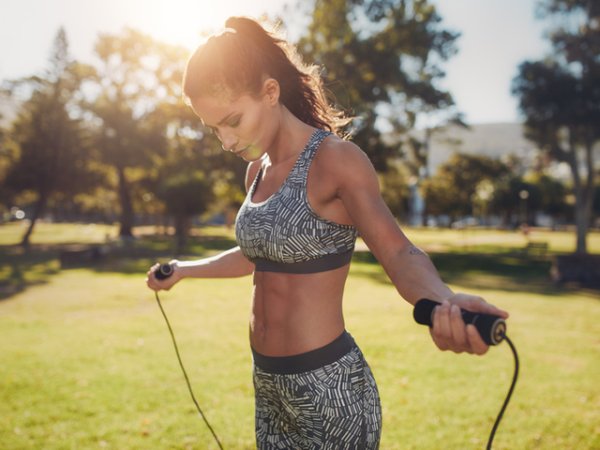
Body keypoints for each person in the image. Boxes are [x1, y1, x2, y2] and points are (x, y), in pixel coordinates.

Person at [146, 16, 509, 449]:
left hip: (330, 392)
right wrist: (185, 270)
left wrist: (444, 302)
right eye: (214, 129)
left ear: (270, 92)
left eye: (233, 120)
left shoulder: (336, 161)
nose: (225, 140)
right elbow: (258, 253)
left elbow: (398, 253)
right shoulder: (255, 173)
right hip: (270, 389)